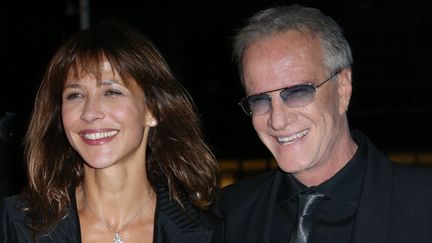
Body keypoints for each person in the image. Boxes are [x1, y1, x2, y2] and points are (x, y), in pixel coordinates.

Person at [218, 4, 432, 243]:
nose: (277, 120)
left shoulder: (425, 204)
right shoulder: (228, 214)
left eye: (297, 92)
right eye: (260, 100)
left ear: (343, 88)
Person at [0, 20, 222, 243]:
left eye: (111, 92)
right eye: (75, 95)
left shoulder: (208, 233)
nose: (90, 112)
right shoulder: (15, 225)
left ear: (152, 110)